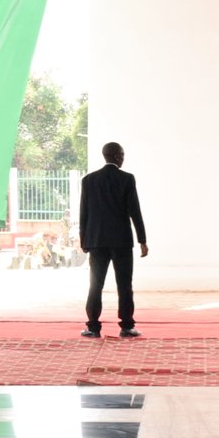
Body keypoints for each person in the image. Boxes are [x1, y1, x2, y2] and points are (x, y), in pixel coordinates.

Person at [79, 142, 148, 338]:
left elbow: (84, 212)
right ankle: (126, 326)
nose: (123, 158)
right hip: (121, 241)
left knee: (95, 285)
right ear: (117, 156)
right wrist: (142, 240)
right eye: (122, 154)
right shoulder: (127, 179)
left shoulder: (89, 180)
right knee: (124, 285)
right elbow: (135, 211)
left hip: (97, 241)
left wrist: (84, 240)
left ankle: (93, 327)